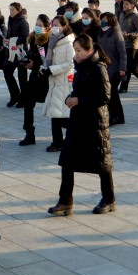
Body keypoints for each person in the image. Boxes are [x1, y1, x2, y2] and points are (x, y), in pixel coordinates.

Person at [47, 34, 116, 216]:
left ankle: (109, 199)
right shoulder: (80, 66)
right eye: (74, 51)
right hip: (77, 121)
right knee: (67, 160)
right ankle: (65, 201)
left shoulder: (98, 67)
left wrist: (80, 100)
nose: (75, 54)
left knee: (102, 163)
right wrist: (70, 98)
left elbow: (105, 97)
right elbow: (78, 90)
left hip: (95, 122)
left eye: (78, 51)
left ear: (89, 50)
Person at [42, 15, 75, 152]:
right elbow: (48, 60)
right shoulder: (53, 41)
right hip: (54, 81)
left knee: (63, 115)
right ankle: (58, 141)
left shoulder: (69, 43)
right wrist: (45, 69)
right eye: (53, 24)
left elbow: (70, 63)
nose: (54, 27)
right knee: (55, 113)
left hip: (64, 81)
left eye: (57, 24)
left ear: (64, 26)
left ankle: (67, 140)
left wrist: (52, 70)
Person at [21, 15, 51, 145]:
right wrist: (26, 61)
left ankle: (62, 136)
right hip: (34, 78)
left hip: (47, 79)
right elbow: (32, 57)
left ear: (47, 28)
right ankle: (29, 133)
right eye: (36, 24)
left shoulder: (50, 42)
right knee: (28, 104)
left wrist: (35, 65)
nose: (37, 28)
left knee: (54, 108)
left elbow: (48, 62)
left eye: (40, 25)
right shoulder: (33, 39)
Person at [96, 12, 126, 125]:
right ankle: (118, 116)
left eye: (104, 19)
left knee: (112, 93)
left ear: (110, 21)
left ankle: (115, 116)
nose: (102, 21)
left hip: (115, 69)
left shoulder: (116, 33)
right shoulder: (101, 32)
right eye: (101, 19)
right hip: (104, 68)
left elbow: (122, 53)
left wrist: (122, 68)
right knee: (111, 94)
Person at [3, 2, 30, 108]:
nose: (11, 12)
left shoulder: (23, 22)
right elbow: (9, 34)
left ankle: (23, 99)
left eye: (13, 10)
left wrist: (12, 41)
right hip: (10, 52)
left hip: (20, 52)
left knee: (22, 76)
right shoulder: (10, 19)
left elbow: (25, 37)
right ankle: (15, 95)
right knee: (7, 71)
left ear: (18, 10)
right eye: (10, 10)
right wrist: (6, 40)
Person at [119, 0, 138, 90]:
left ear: (132, 6)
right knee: (129, 66)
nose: (124, 5)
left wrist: (130, 34)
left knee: (128, 66)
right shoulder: (121, 15)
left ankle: (124, 86)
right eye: (124, 3)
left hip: (131, 44)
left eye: (127, 4)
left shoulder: (135, 16)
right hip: (122, 43)